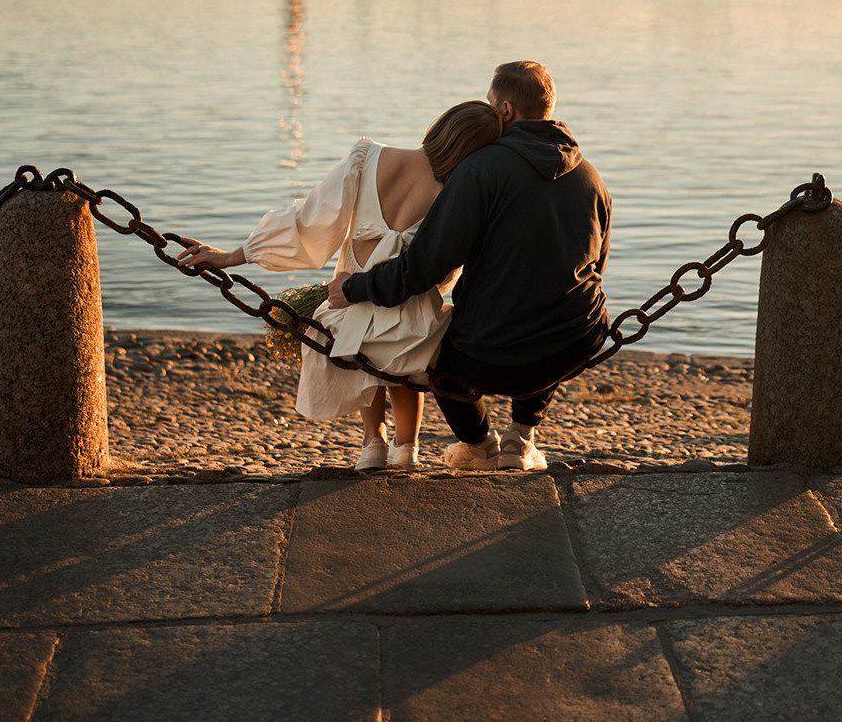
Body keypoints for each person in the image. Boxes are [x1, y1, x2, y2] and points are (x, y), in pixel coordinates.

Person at [176, 100, 503, 470]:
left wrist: (234, 255)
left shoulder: (368, 158)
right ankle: (406, 449)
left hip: (347, 301)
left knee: (361, 353)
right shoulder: (460, 193)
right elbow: (443, 272)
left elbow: (310, 219)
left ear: (440, 126)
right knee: (402, 366)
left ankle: (372, 445)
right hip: (412, 320)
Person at [329, 60, 611, 471]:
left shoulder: (479, 170)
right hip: (575, 341)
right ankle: (521, 439)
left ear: (507, 111)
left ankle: (478, 445)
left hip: (486, 355)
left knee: (435, 353)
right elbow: (597, 264)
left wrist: (356, 287)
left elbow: (425, 265)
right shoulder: (591, 177)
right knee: (555, 306)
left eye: (491, 104)